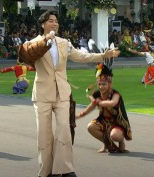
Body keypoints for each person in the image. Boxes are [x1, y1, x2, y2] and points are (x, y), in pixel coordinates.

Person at [18, 10, 120, 177]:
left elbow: (81, 56)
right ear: (43, 24)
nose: (55, 23)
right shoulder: (33, 43)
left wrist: (103, 55)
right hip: (42, 94)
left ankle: (65, 169)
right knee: (44, 134)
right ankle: (46, 172)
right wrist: (46, 40)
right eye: (51, 20)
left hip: (62, 92)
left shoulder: (64, 43)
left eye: (56, 21)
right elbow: (28, 57)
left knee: (64, 129)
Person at [76, 63, 132, 153]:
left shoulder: (115, 94)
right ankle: (107, 143)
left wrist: (99, 102)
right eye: (99, 84)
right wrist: (80, 115)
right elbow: (91, 106)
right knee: (90, 127)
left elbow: (112, 103)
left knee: (115, 136)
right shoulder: (96, 94)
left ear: (109, 84)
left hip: (117, 122)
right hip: (103, 121)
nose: (101, 87)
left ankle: (121, 141)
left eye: (104, 84)